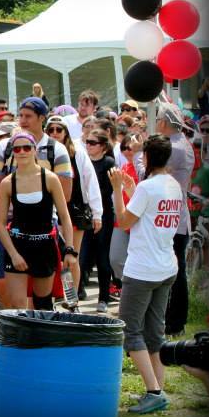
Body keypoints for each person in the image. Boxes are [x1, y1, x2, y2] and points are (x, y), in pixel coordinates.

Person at [109, 135, 181, 414]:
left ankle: (153, 391)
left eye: (142, 155)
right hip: (166, 266)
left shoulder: (149, 187)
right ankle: (158, 390)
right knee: (154, 331)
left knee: (131, 331)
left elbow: (126, 221)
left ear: (148, 158)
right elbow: (150, 213)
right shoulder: (172, 185)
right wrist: (132, 189)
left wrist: (118, 190)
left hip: (143, 269)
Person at [0, 130, 77, 312]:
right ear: (13, 153)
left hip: (44, 245)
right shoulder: (8, 182)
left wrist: (70, 250)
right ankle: (23, 340)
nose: (22, 152)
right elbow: (0, 223)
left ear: (35, 150)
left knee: (42, 304)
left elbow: (64, 216)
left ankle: (42, 340)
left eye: (26, 147)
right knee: (18, 305)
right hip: (17, 244)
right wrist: (14, 254)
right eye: (17, 149)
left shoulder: (50, 178)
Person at [147, 103, 195, 335]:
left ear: (164, 123)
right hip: (175, 215)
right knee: (175, 269)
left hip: (171, 217)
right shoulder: (182, 143)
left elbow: (151, 172)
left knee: (175, 271)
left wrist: (140, 154)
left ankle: (175, 321)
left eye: (157, 120)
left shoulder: (174, 147)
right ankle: (173, 320)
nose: (156, 124)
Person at [44, 116, 102, 302]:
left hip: (73, 209)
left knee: (71, 257)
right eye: (50, 130)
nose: (54, 133)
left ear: (66, 132)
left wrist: (97, 212)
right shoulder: (42, 152)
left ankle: (71, 298)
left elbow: (90, 181)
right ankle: (51, 297)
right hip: (47, 210)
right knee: (53, 259)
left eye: (58, 130)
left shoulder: (77, 152)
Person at [81, 128, 116, 313]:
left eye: (92, 143)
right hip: (86, 214)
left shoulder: (109, 162)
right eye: (87, 141)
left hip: (104, 216)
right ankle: (78, 293)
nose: (88, 145)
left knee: (103, 258)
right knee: (82, 256)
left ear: (103, 146)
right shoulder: (83, 160)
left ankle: (103, 297)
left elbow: (107, 190)